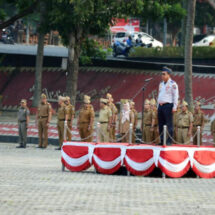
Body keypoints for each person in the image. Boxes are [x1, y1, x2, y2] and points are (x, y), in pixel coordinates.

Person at [157, 66, 179, 145]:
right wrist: (157, 106)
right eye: (162, 74)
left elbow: (175, 96)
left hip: (168, 105)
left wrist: (175, 107)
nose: (162, 76)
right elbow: (159, 95)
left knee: (169, 124)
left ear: (168, 75)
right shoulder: (161, 84)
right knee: (161, 124)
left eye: (164, 74)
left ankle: (169, 141)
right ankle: (162, 140)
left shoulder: (173, 84)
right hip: (161, 105)